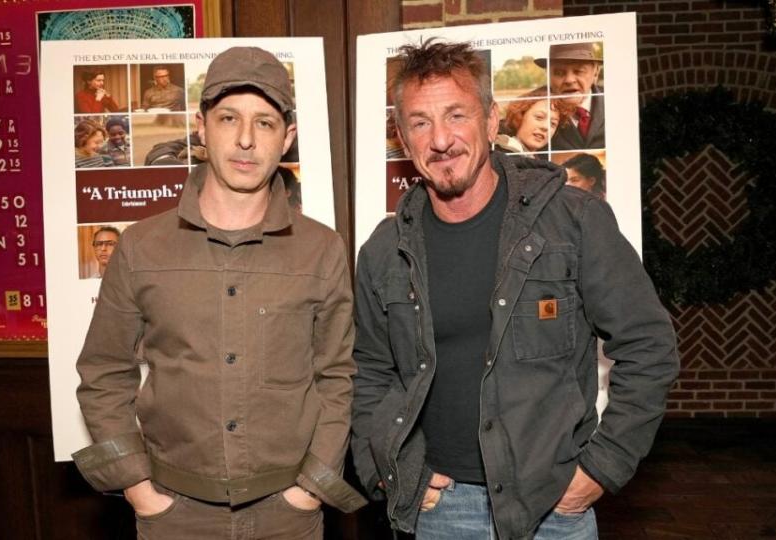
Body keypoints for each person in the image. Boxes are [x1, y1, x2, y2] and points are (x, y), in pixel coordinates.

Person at [351, 39, 678, 540]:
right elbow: (369, 373)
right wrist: (388, 468)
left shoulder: (573, 221)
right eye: (420, 122)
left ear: (490, 119)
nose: (440, 140)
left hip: (553, 508)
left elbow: (649, 346)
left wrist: (599, 471)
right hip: (438, 508)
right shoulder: (383, 249)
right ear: (402, 136)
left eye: (456, 115)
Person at [72, 46, 365, 539]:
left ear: (287, 137)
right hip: (173, 516)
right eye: (229, 118)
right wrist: (138, 489)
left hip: (287, 517)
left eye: (265, 123)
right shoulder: (142, 246)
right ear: (201, 126)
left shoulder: (322, 249)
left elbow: (336, 376)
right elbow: (103, 372)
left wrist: (310, 488)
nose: (246, 140)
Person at [536, 43, 604, 150]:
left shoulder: (617, 101)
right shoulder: (532, 105)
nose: (569, 80)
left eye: (579, 71)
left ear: (596, 72)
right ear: (548, 74)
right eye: (559, 72)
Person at [495, 86, 573, 153]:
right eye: (539, 117)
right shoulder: (501, 150)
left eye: (553, 124)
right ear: (520, 116)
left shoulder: (536, 158)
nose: (546, 127)